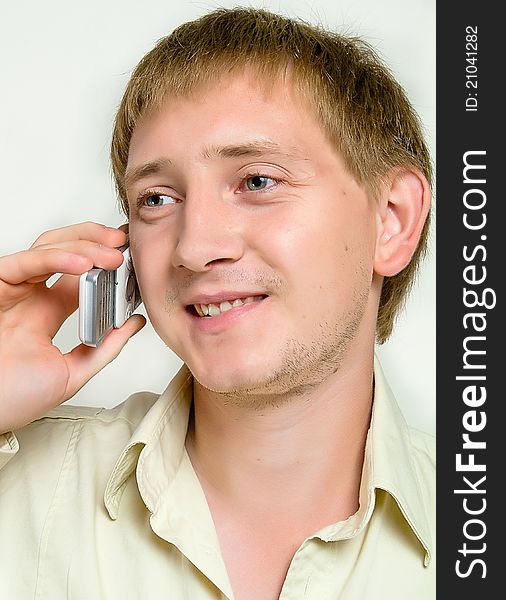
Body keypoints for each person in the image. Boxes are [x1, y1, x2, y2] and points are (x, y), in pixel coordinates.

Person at [0, 7, 434, 600]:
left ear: (392, 220)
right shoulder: (22, 494)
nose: (195, 247)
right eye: (156, 198)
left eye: (258, 182)